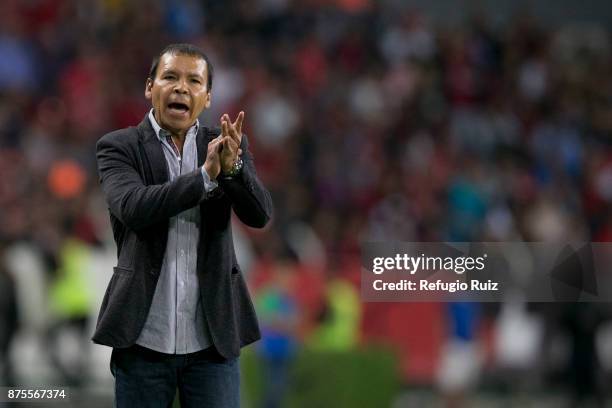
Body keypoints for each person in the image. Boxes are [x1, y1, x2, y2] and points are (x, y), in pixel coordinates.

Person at [93, 43, 273, 408]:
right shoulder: (118, 147)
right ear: (150, 86)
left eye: (194, 81)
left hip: (212, 343)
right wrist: (206, 176)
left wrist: (234, 169)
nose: (181, 88)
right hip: (143, 341)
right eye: (170, 77)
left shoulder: (225, 146)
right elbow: (133, 207)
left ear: (206, 98)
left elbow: (260, 215)